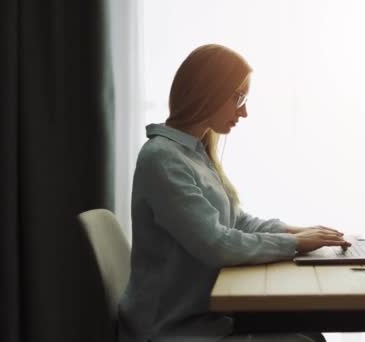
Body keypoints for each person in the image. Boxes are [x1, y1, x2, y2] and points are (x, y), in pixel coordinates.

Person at [118, 44, 351, 342]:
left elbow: (235, 221)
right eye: (238, 97)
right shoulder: (162, 158)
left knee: (310, 334)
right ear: (208, 91)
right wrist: (293, 243)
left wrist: (299, 232)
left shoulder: (194, 152)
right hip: (173, 329)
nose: (244, 111)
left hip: (205, 318)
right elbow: (217, 245)